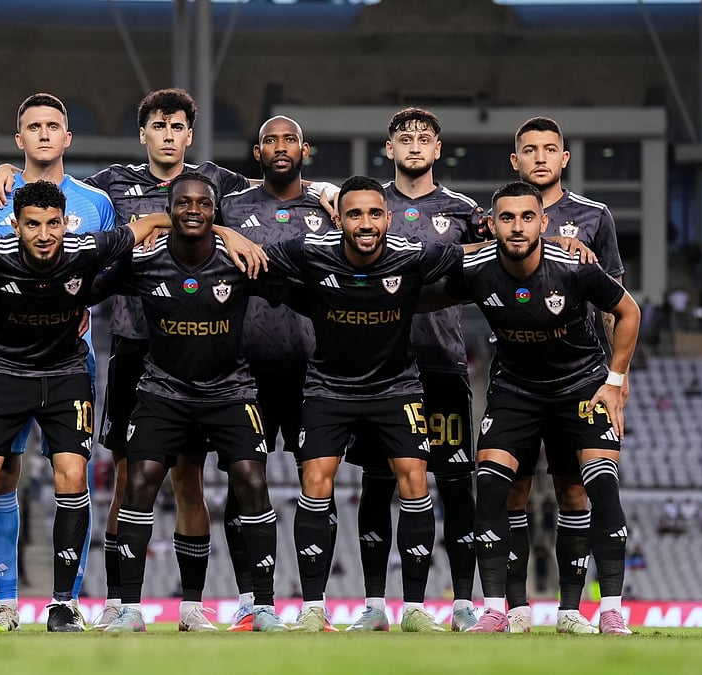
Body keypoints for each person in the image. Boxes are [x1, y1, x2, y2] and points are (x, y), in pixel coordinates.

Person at [0, 89, 335, 631]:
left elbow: (272, 190)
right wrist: (6, 170)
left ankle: (195, 607)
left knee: (190, 480)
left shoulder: (217, 182)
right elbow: (53, 190)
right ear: (143, 133)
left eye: (177, 127)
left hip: (204, 349)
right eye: (158, 126)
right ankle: (121, 604)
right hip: (134, 346)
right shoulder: (108, 187)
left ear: (189, 134)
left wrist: (321, 189)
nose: (168, 135)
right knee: (129, 480)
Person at [0, 180, 258, 633]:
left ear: (66, 223)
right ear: (17, 226)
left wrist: (226, 233)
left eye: (53, 224)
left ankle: (64, 605)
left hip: (66, 376)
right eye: (33, 225)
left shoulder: (88, 248)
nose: (45, 234)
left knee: (71, 475)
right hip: (3, 376)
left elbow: (152, 221)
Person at [262, 176, 470, 633]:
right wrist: (222, 233)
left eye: (375, 213)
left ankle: (414, 609)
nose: (366, 223)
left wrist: (552, 244)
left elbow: (475, 257)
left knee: (414, 480)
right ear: (340, 219)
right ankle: (314, 608)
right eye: (355, 214)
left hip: (397, 388)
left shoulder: (412, 254)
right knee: (315, 481)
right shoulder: (310, 251)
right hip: (327, 388)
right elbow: (253, 259)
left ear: (387, 217)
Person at [443, 181, 640, 635]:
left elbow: (629, 312)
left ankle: (601, 610)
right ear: (492, 225)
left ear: (543, 222)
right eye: (507, 218)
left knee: (596, 490)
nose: (517, 226)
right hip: (516, 389)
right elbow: (423, 291)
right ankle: (503, 611)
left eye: (526, 217)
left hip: (580, 387)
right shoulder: (474, 266)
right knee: (494, 488)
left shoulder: (573, 265)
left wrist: (614, 381)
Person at [100, 173, 286, 633]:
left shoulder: (240, 261)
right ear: (170, 207)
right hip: (163, 392)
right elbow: (91, 278)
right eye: (183, 202)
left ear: (215, 211)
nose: (194, 210)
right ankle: (128, 609)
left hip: (230, 392)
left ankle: (261, 605)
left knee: (251, 480)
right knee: (139, 481)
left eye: (204, 204)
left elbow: (295, 285)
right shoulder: (144, 264)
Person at [0, 93, 116, 631]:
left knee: (73, 475)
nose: (45, 134)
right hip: (2, 359)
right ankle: (5, 601)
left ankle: (66, 602)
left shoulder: (96, 202)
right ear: (19, 137)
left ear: (68, 138)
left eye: (55, 126)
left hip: (71, 360)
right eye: (35, 126)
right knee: (0, 474)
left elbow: (109, 267)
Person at [343, 108, 483, 632]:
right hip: (378, 369)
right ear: (390, 146)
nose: (415, 146)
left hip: (443, 365)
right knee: (378, 485)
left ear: (439, 149)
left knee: (453, 481)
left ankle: (463, 603)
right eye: (406, 138)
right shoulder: (368, 206)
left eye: (425, 139)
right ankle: (376, 605)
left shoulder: (465, 211)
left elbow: (498, 259)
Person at [502, 116, 626, 634]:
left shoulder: (593, 217)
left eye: (549, 149)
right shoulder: (503, 213)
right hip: (516, 374)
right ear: (516, 161)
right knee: (513, 489)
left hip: (581, 376)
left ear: (564, 159)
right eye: (529, 149)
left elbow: (619, 304)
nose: (539, 158)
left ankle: (579, 609)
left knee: (579, 491)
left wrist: (617, 379)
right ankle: (509, 608)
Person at [218, 114, 335, 631]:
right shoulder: (232, 207)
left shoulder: (330, 208)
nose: (280, 146)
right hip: (245, 373)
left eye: (290, 139)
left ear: (304, 150)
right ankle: (251, 600)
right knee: (245, 485)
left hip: (315, 372)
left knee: (319, 485)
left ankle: (314, 606)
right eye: (270, 140)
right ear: (257, 151)